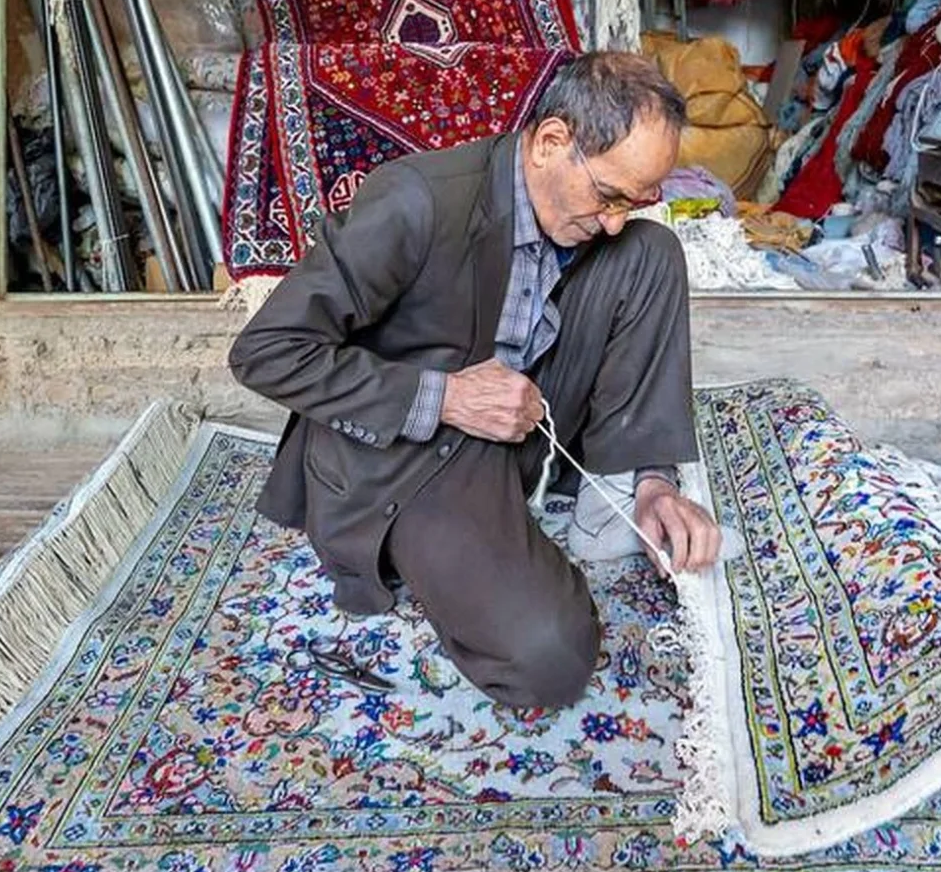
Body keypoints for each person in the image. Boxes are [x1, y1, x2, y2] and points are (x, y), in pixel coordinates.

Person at [228, 50, 726, 710]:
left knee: (650, 253)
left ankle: (613, 475)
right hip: (410, 454)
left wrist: (654, 479)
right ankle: (455, 543)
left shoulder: (584, 215)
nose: (612, 220)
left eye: (635, 199)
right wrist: (447, 397)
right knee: (549, 658)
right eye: (608, 195)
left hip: (515, 407)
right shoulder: (416, 201)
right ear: (551, 141)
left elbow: (610, 254)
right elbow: (265, 351)